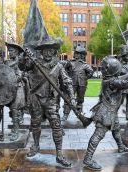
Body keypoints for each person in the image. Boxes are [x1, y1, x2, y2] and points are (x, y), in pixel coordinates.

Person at [19, 37, 75, 167]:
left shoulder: (59, 66)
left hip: (51, 100)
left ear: (54, 52)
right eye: (45, 50)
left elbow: (67, 82)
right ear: (41, 52)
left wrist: (72, 97)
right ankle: (36, 146)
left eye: (50, 51)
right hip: (36, 99)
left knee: (56, 125)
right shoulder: (34, 62)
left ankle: (60, 154)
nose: (48, 53)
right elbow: (22, 67)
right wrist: (23, 56)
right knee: (35, 124)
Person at [83, 56, 128, 171]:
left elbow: (121, 80)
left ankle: (121, 147)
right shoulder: (112, 81)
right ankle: (88, 158)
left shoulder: (108, 79)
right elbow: (127, 84)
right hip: (106, 113)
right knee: (98, 135)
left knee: (116, 129)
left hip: (110, 111)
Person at [62, 45, 94, 121]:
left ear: (82, 56)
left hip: (82, 85)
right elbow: (64, 70)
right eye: (77, 53)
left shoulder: (85, 65)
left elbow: (91, 72)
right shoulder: (70, 62)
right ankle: (65, 114)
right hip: (71, 84)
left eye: (80, 54)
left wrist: (85, 78)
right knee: (68, 99)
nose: (78, 55)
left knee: (80, 99)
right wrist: (67, 77)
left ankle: (79, 114)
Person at [4, 42, 26, 141]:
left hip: (18, 88)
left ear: (16, 52)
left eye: (12, 51)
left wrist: (17, 77)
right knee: (12, 110)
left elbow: (21, 74)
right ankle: (15, 128)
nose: (10, 53)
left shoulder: (21, 62)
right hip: (9, 89)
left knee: (15, 110)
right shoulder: (7, 62)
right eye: (9, 51)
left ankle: (16, 131)